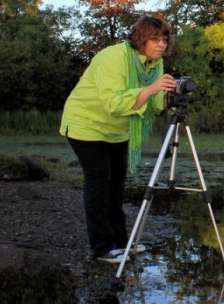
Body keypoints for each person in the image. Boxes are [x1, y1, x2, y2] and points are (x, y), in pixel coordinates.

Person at [60, 15, 177, 264]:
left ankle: (121, 241)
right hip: (86, 124)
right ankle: (102, 247)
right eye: (155, 39)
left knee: (117, 185)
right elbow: (114, 103)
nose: (161, 44)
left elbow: (154, 105)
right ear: (139, 39)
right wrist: (151, 89)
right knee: (100, 182)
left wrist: (169, 95)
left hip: (118, 130)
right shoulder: (113, 58)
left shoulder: (154, 64)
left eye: (164, 39)